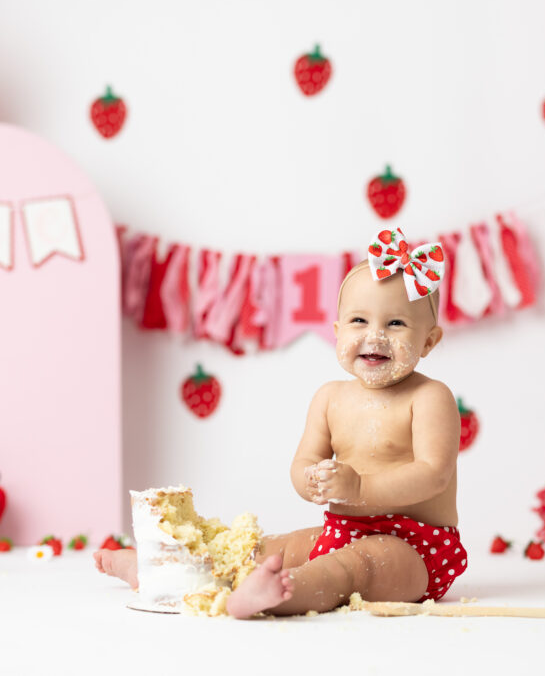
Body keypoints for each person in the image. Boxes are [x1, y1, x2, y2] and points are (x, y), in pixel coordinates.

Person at [96, 228, 466, 619]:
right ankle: (159, 571)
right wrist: (310, 480)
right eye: (359, 320)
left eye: (396, 324)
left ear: (428, 341)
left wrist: (360, 487)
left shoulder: (429, 398)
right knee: (264, 549)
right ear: (337, 332)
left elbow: (433, 474)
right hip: (340, 531)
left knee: (352, 566)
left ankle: (276, 596)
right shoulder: (330, 397)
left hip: (416, 549)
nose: (375, 335)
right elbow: (303, 461)